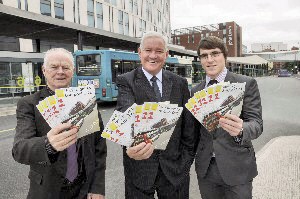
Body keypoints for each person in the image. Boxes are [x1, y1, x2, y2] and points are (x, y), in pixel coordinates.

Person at [12, 48, 107, 199]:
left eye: (66, 67)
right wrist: (48, 144)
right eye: (54, 67)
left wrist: (97, 187)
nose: (60, 71)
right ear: (44, 70)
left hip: (84, 189)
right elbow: (19, 150)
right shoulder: (29, 104)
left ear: (73, 71)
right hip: (47, 190)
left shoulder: (86, 99)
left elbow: (98, 147)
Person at [116, 31, 197, 199]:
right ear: (140, 52)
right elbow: (126, 114)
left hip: (176, 170)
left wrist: (186, 162)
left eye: (159, 51)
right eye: (148, 50)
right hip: (139, 169)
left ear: (166, 55)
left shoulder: (179, 83)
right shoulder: (126, 81)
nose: (153, 56)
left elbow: (189, 128)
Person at [192, 36, 263, 199]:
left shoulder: (246, 83)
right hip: (206, 170)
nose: (209, 60)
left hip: (237, 168)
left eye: (215, 53)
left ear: (225, 56)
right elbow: (193, 133)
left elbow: (257, 124)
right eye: (204, 56)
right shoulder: (195, 91)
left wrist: (241, 129)